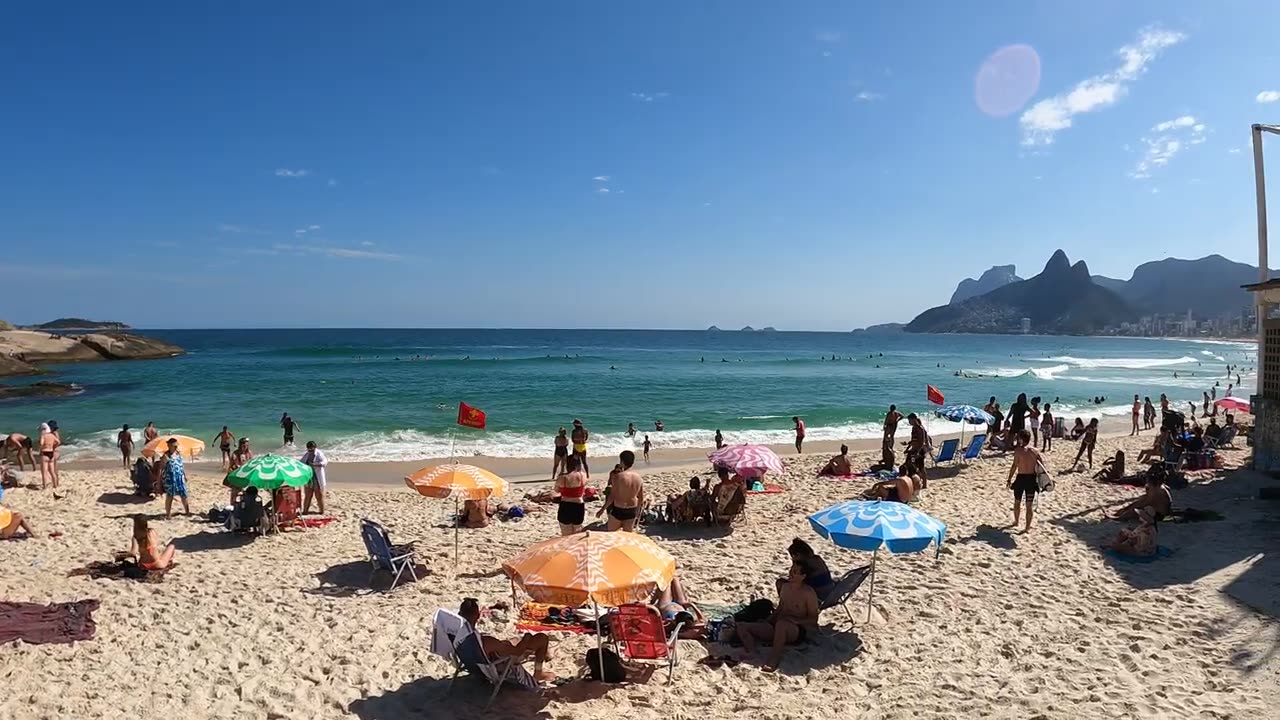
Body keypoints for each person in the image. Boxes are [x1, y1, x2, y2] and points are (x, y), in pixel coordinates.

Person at [731, 563, 819, 672]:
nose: (791, 574)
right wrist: (767, 621)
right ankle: (752, 652)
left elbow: (813, 619)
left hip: (795, 629)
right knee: (742, 626)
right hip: (777, 625)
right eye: (791, 570)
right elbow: (780, 609)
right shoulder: (785, 587)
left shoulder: (808, 593)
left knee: (782, 624)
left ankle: (773, 659)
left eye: (795, 572)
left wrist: (796, 621)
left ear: (803, 576)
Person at [458, 598, 555, 682]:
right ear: (478, 615)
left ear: (459, 614)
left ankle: (543, 653)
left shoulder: (457, 636)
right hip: (503, 665)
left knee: (514, 639)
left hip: (476, 665)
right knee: (541, 638)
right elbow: (517, 652)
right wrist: (526, 639)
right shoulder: (487, 641)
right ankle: (538, 673)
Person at [1006, 430, 1044, 532]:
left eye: (1019, 438)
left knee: (1017, 502)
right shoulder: (1035, 451)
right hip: (1031, 479)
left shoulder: (1018, 451)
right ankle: (1027, 527)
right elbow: (1042, 467)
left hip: (1021, 478)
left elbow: (1014, 466)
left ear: (1021, 439)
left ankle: (1017, 521)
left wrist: (1009, 479)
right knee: (1029, 505)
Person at [599, 451, 643, 531]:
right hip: (632, 509)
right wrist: (637, 512)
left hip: (619, 508)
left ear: (622, 461)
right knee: (627, 537)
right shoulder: (638, 478)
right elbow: (641, 498)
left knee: (612, 534)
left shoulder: (618, 477)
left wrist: (602, 510)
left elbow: (612, 496)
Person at [553, 455, 588, 535]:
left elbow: (556, 490)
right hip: (579, 505)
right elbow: (584, 487)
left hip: (566, 505)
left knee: (566, 533)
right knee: (577, 532)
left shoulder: (563, 477)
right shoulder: (583, 475)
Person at [160, 437, 190, 518]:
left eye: (176, 445)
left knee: (184, 494)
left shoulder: (178, 454)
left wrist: (185, 475)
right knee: (170, 496)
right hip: (170, 478)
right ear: (169, 445)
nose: (176, 447)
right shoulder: (166, 456)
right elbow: (161, 469)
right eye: (174, 445)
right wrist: (159, 481)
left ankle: (187, 512)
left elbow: (181, 466)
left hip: (180, 477)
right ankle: (168, 514)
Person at [300, 441, 327, 515]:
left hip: (317, 477)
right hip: (309, 477)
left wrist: (315, 464)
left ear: (315, 448)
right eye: (309, 450)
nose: (310, 451)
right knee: (308, 495)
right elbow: (301, 462)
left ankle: (322, 511)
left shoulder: (319, 454)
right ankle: (305, 511)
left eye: (312, 450)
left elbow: (324, 462)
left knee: (319, 495)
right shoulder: (307, 455)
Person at [905, 414, 929, 486]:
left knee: (921, 467)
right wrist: (907, 446)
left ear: (914, 419)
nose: (909, 422)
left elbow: (922, 442)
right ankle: (912, 482)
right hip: (913, 449)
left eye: (910, 420)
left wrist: (917, 453)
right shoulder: (913, 428)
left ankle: (924, 483)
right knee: (909, 465)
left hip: (919, 450)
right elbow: (913, 440)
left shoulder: (920, 429)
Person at [38, 422, 60, 491]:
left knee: (44, 471)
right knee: (52, 471)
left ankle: (45, 486)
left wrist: (41, 448)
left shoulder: (44, 436)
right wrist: (53, 446)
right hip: (51, 453)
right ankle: (55, 485)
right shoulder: (52, 435)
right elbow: (58, 442)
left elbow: (41, 443)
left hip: (45, 453)